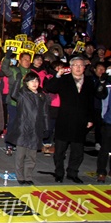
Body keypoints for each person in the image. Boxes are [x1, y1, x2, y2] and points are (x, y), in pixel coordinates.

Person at [44, 56, 95, 184]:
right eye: (75, 65)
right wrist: (57, 75)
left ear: (84, 67)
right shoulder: (64, 79)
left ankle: (73, 172)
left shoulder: (89, 81)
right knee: (60, 149)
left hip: (81, 120)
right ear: (70, 67)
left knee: (78, 150)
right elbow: (49, 88)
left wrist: (90, 118)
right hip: (65, 118)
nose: (78, 67)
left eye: (80, 65)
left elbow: (91, 101)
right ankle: (59, 173)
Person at [7, 72, 50, 185]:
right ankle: (20, 176)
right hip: (23, 128)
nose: (34, 83)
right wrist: (17, 81)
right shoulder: (23, 94)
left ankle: (28, 176)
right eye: (31, 81)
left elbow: (45, 113)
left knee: (32, 155)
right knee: (21, 155)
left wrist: (46, 127)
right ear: (26, 83)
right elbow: (14, 94)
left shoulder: (42, 96)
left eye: (36, 81)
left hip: (36, 129)